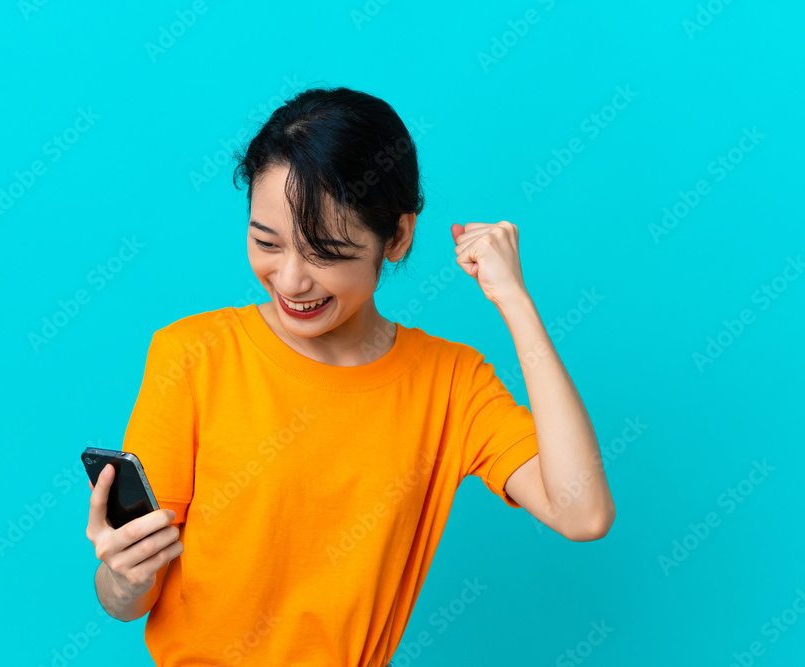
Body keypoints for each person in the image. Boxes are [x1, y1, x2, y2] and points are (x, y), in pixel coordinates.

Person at [85, 86, 615, 666]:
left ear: (398, 238)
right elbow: (126, 600)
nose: (290, 280)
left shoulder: (450, 383)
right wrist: (125, 578)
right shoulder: (192, 354)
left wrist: (514, 301)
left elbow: (581, 511)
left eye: (325, 253)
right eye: (267, 243)